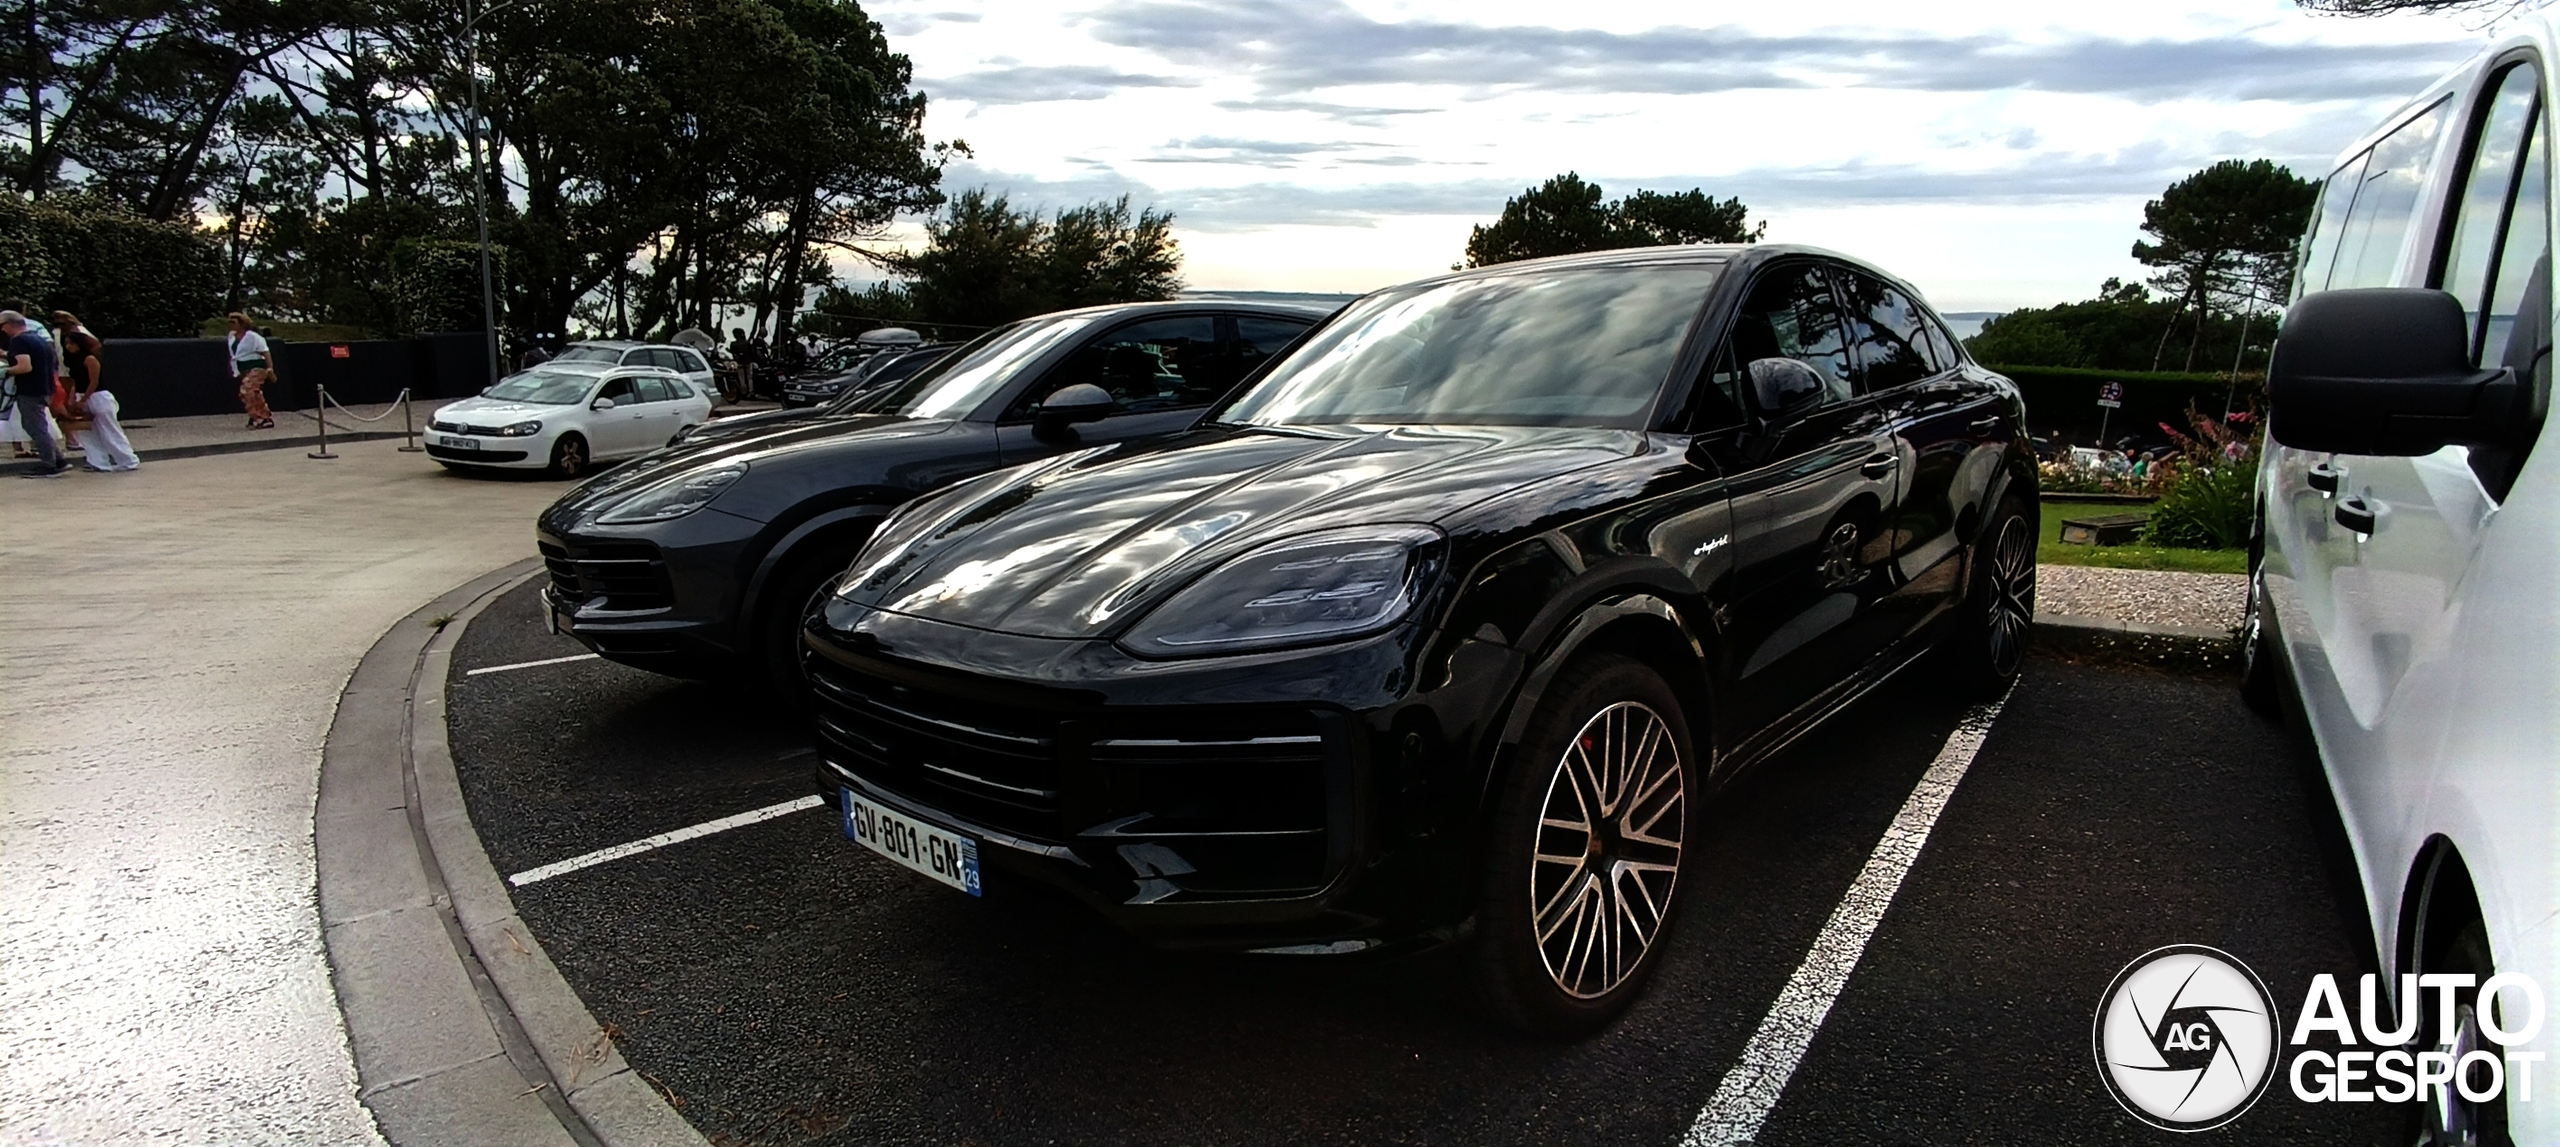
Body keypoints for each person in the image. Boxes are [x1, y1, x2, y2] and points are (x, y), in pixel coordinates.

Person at [55, 311, 135, 472]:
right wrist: (73, 398)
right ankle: (98, 462)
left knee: (109, 429)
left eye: (72, 344)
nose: (69, 347)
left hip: (98, 396)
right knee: (85, 432)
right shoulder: (74, 361)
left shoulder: (90, 359)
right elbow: (75, 381)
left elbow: (94, 382)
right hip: (81, 394)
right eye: (68, 344)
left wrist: (84, 399)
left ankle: (127, 460)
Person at [3, 310, 66, 477]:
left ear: (11, 324)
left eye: (2, 325)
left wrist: (5, 372)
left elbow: (25, 366)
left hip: (30, 390)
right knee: (40, 426)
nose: (2, 330)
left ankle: (48, 464)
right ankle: (59, 460)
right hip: (44, 388)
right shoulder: (38, 339)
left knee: (35, 428)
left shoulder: (19, 341)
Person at [227, 312, 275, 429]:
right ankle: (264, 416)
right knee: (255, 393)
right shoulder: (232, 336)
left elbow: (265, 351)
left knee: (246, 390)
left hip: (257, 366)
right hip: (242, 368)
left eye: (234, 322)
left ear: (242, 324)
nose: (231, 325)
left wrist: (270, 368)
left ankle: (257, 417)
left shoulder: (253, 337)